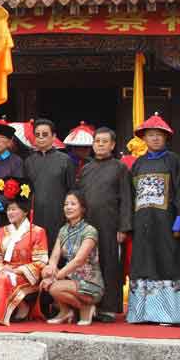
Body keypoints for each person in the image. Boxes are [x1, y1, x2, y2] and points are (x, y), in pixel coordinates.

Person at [127, 113, 180, 326]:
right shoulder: (137, 164)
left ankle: (169, 315)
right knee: (143, 262)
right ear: (144, 138)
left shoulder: (174, 161)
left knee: (167, 261)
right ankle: (140, 314)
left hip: (166, 221)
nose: (154, 139)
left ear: (166, 138)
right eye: (151, 135)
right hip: (142, 221)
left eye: (159, 135)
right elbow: (131, 196)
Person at [76, 127, 132, 322]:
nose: (100, 144)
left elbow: (126, 198)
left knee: (109, 263)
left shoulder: (120, 167)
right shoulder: (86, 169)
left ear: (113, 145)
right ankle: (90, 304)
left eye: (104, 141)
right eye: (97, 141)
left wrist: (124, 227)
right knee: (89, 264)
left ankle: (108, 307)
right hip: (88, 224)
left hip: (110, 223)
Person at [0, 177, 49, 324]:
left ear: (25, 212)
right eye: (8, 210)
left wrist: (18, 270)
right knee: (3, 276)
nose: (10, 213)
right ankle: (14, 309)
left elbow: (41, 261)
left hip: (26, 274)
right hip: (6, 270)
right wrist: (2, 267)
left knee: (5, 278)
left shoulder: (37, 231)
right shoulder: (2, 231)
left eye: (14, 209)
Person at [40, 190, 103, 326]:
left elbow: (78, 260)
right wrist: (50, 271)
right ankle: (66, 311)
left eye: (73, 204)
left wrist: (56, 277)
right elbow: (54, 257)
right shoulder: (63, 231)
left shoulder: (89, 230)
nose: (68, 207)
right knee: (46, 273)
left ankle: (86, 307)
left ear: (82, 208)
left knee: (54, 287)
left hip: (89, 282)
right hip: (70, 280)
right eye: (66, 204)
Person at [24, 118, 76, 250]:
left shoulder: (65, 160)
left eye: (45, 135)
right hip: (34, 215)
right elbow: (25, 191)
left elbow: (72, 191)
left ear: (53, 137)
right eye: (37, 135)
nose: (41, 138)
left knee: (57, 252)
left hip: (58, 215)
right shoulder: (28, 161)